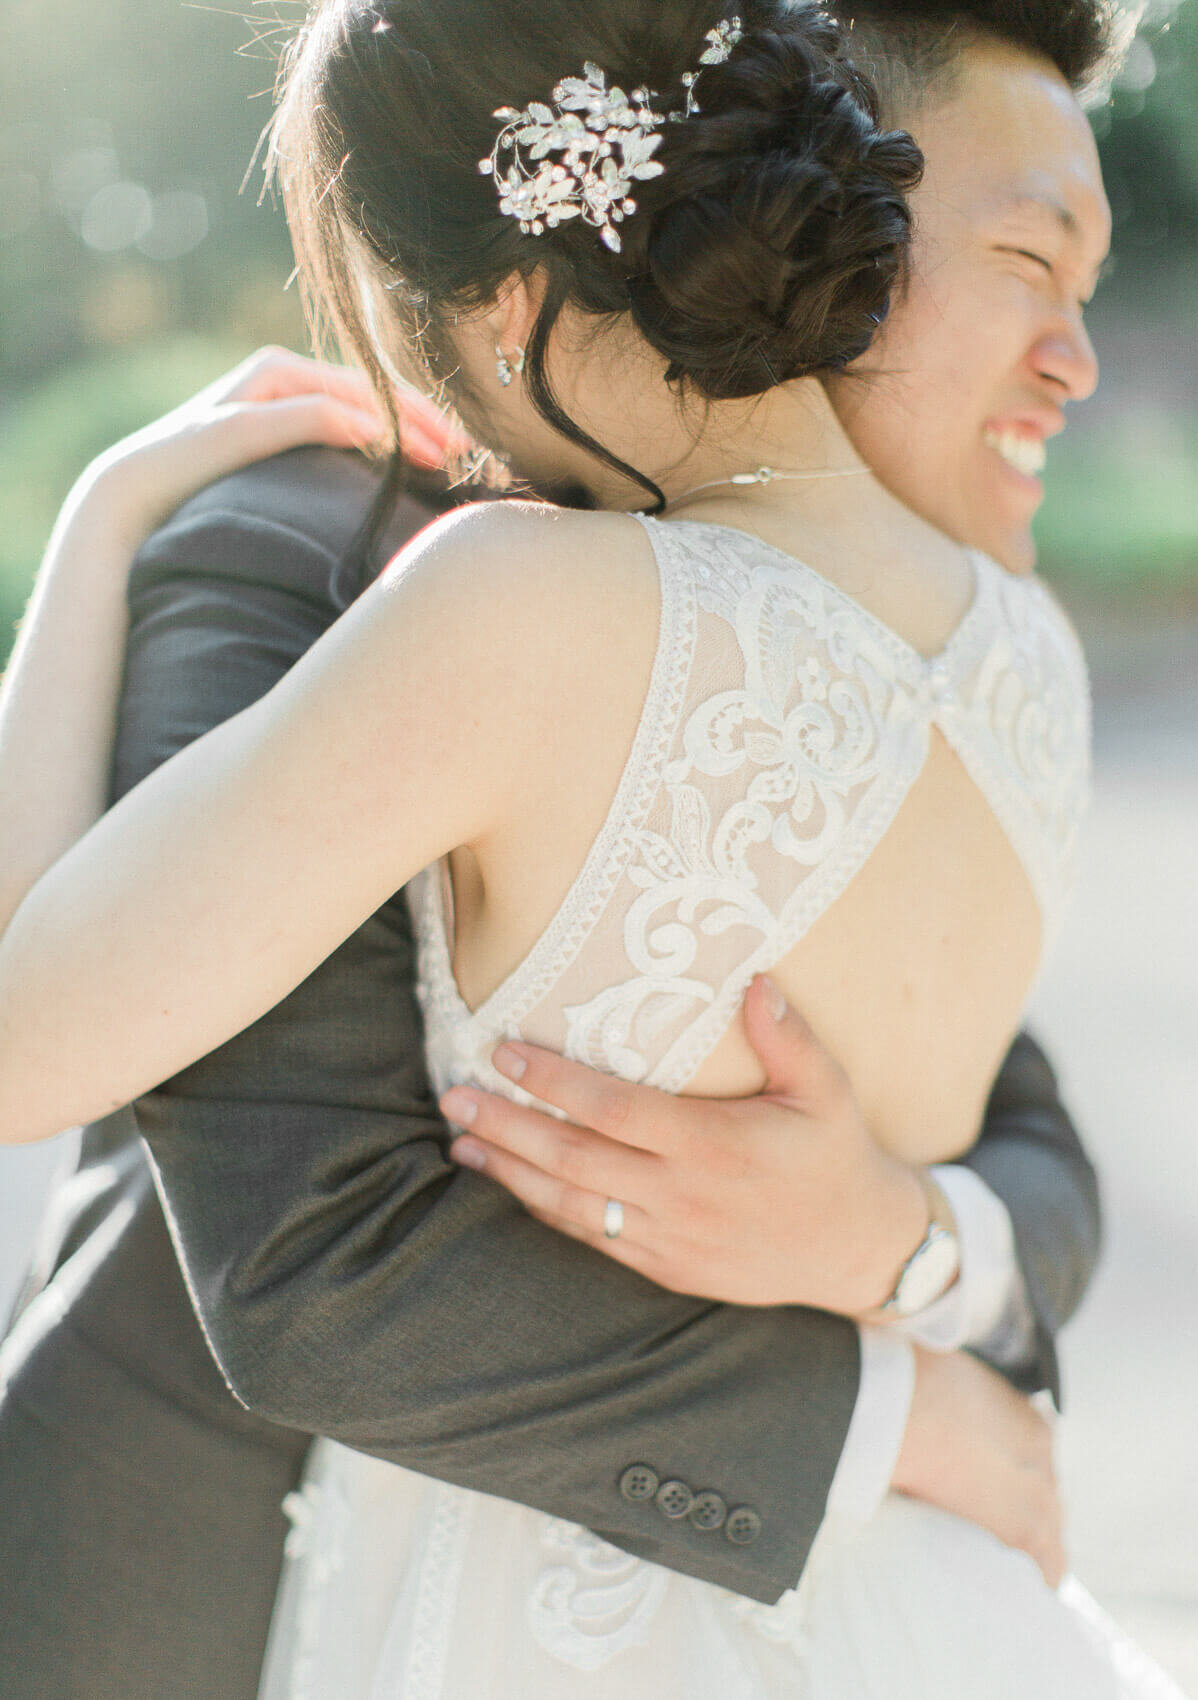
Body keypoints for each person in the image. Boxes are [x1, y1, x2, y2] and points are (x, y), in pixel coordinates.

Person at [0, 0, 1137, 1693]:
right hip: (922, 1608)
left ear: (510, 300)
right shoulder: (1035, 659)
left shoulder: (504, 606)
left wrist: (96, 532)